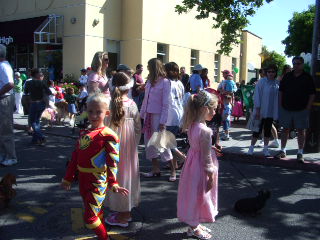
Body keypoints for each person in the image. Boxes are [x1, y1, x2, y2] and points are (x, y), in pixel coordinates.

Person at [61, 93, 129, 240]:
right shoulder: (84, 132)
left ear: (107, 113)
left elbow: (112, 161)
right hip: (83, 180)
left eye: (98, 112)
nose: (93, 115)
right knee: (95, 212)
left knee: (90, 218)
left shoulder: (108, 135)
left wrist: (113, 182)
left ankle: (104, 238)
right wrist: (68, 177)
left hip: (97, 180)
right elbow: (75, 157)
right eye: (90, 111)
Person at [177, 90, 218, 240]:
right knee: (201, 195)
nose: (214, 112)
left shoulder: (193, 125)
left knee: (193, 194)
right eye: (213, 109)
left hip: (191, 165)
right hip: (200, 167)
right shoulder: (206, 130)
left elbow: (197, 145)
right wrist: (211, 175)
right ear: (204, 109)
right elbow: (206, 158)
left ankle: (194, 224)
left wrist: (210, 148)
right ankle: (194, 227)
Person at [105, 72, 141, 227]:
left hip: (114, 146)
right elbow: (138, 127)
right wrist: (134, 144)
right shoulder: (132, 104)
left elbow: (104, 127)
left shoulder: (109, 104)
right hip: (129, 148)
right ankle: (124, 211)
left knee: (116, 175)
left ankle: (122, 216)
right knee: (128, 176)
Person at [275, 56, 316, 163]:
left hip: (302, 109)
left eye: (298, 63)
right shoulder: (287, 76)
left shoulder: (307, 77)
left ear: (302, 64)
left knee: (301, 131)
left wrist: (308, 107)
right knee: (285, 130)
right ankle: (282, 151)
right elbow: (281, 91)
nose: (296, 66)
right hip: (286, 108)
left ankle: (300, 153)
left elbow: (312, 94)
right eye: (294, 64)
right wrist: (280, 106)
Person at [140, 58, 171, 177]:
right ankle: (155, 169)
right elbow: (145, 100)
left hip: (158, 116)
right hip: (149, 115)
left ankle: (173, 169)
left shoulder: (165, 82)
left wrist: (163, 121)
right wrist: (141, 115)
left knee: (162, 142)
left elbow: (166, 103)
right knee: (149, 143)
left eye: (148, 66)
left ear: (153, 67)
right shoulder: (149, 82)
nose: (147, 68)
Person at [247, 64, 280, 157]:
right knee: (257, 130)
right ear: (266, 72)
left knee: (267, 130)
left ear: (275, 73)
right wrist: (257, 109)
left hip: (270, 111)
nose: (271, 73)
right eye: (269, 71)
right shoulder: (261, 82)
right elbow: (257, 96)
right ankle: (251, 147)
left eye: (273, 71)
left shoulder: (277, 83)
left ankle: (265, 149)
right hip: (261, 110)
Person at [164, 62, 186, 182]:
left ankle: (183, 158)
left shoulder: (168, 83)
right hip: (177, 115)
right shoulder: (179, 83)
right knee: (170, 143)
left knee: (167, 144)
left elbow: (167, 101)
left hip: (170, 116)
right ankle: (175, 165)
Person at [0, 44, 17, 166]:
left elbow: (10, 84)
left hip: (4, 99)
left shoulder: (3, 66)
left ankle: (11, 157)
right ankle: (4, 155)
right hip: (4, 98)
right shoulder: (3, 65)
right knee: (2, 129)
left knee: (6, 129)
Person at [24, 68, 52, 145]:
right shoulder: (42, 83)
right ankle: (34, 140)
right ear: (36, 74)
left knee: (32, 121)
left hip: (33, 103)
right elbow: (49, 92)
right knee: (36, 121)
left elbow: (26, 92)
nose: (41, 74)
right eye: (40, 73)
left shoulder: (28, 83)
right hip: (41, 103)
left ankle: (41, 136)